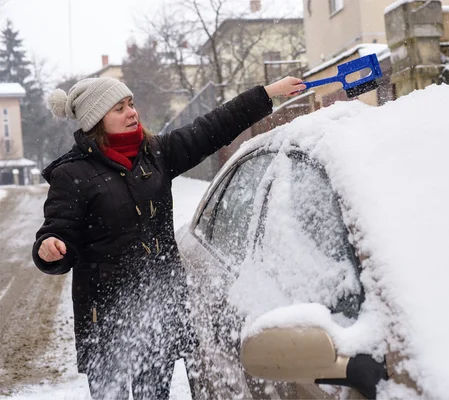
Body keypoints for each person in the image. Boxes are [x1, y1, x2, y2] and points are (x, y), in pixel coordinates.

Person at [31, 76, 306, 399]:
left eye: (130, 104)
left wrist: (267, 94)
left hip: (158, 312)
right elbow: (57, 230)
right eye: (119, 108)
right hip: (106, 323)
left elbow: (211, 128)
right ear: (96, 120)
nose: (132, 112)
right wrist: (51, 248)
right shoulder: (72, 174)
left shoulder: (156, 154)